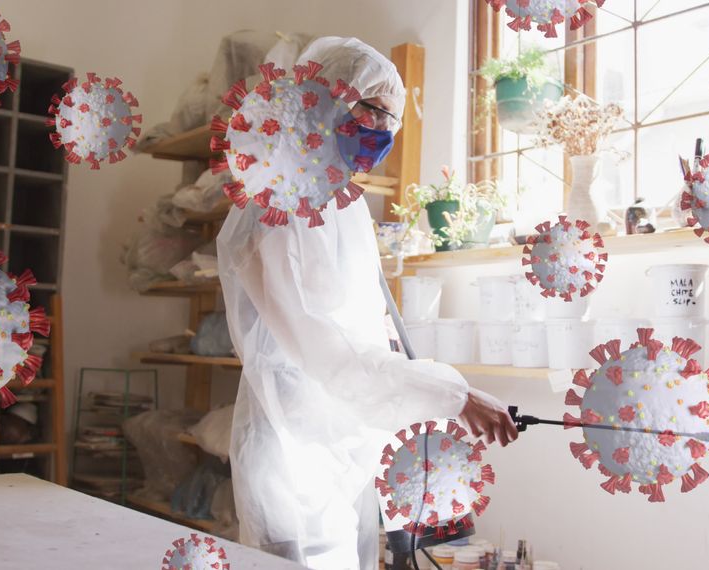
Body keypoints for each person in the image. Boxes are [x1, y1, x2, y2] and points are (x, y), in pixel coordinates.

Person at [217, 36, 518, 570]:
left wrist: (420, 391)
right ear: (322, 98)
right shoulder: (276, 203)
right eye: (372, 110)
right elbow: (325, 350)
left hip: (339, 447)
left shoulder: (343, 202)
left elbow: (361, 329)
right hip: (289, 449)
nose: (381, 130)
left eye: (389, 120)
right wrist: (454, 395)